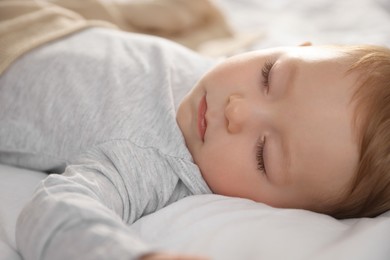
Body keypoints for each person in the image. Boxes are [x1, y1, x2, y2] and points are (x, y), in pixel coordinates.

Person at [1, 1, 390, 260]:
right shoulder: (225, 78)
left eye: (262, 153)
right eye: (269, 76)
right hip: (56, 17)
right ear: (295, 47)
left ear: (280, 209)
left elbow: (53, 210)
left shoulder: (149, 161)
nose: (237, 109)